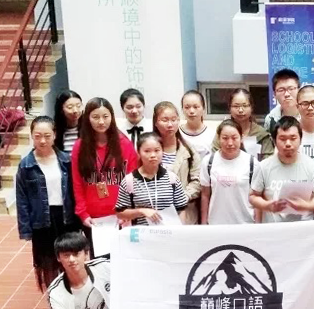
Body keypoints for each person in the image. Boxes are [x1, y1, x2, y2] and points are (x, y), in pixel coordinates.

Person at [16, 116, 79, 291]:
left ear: (54, 135)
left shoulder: (66, 160)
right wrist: (25, 229)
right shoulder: (26, 165)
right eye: (37, 136)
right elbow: (22, 199)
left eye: (47, 135)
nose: (42, 141)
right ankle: (55, 299)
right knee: (48, 263)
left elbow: (76, 191)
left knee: (70, 260)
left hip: (66, 218)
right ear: (32, 136)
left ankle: (73, 295)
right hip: (41, 220)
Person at [71, 97, 138, 252]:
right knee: (99, 260)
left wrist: (129, 212)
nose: (101, 121)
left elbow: (133, 181)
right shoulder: (79, 147)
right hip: (93, 218)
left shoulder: (124, 144)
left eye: (105, 116)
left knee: (123, 257)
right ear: (87, 119)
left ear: (112, 117)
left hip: (120, 215)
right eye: (95, 117)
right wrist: (82, 213)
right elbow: (77, 183)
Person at [249, 116, 314, 223]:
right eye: (282, 139)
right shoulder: (264, 166)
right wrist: (268, 205)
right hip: (273, 229)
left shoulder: (312, 166)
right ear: (274, 141)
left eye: (293, 138)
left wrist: (308, 206)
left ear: (300, 139)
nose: (288, 144)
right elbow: (253, 196)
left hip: (304, 228)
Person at [115, 133, 189, 226]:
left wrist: (180, 230)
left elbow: (181, 209)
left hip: (169, 232)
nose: (153, 155)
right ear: (138, 153)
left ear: (162, 151)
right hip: (141, 233)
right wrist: (141, 211)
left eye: (157, 150)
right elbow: (120, 213)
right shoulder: (129, 181)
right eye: (147, 151)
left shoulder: (172, 179)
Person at [201, 120, 260, 225]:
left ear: (241, 138)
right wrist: (204, 223)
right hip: (216, 224)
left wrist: (258, 225)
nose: (230, 143)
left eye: (234, 138)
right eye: (225, 138)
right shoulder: (208, 162)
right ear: (218, 138)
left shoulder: (252, 163)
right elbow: (205, 195)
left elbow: (257, 197)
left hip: (245, 224)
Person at [153, 101, 202, 224]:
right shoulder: (149, 149)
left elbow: (197, 180)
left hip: (185, 213)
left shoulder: (189, 150)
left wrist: (184, 196)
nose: (170, 124)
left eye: (174, 120)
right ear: (156, 123)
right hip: (155, 213)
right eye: (165, 120)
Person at [211, 88, 274, 161]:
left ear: (251, 107)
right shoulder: (223, 131)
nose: (240, 110)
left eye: (245, 106)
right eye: (236, 106)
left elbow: (268, 160)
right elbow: (215, 156)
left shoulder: (261, 134)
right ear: (229, 108)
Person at [179, 90, 216, 159]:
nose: (191, 111)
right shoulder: (177, 134)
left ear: (203, 109)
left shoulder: (212, 135)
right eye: (187, 107)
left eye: (196, 107)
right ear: (182, 109)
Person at [264, 69, 301, 135]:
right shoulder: (270, 119)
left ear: (299, 90)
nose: (287, 94)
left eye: (291, 89)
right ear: (274, 94)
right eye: (281, 90)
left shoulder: (311, 113)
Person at [53, 90, 82, 154]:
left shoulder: (89, 128)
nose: (75, 110)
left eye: (78, 106)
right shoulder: (54, 131)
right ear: (61, 109)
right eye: (70, 107)